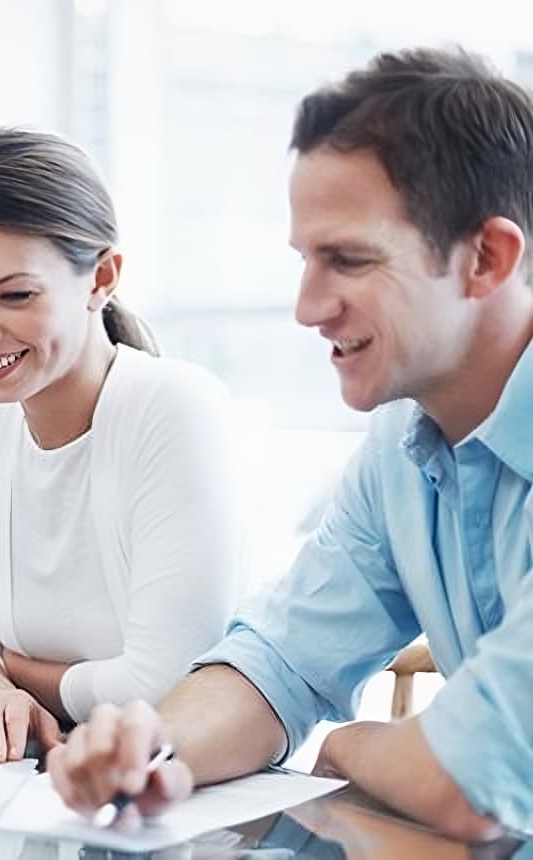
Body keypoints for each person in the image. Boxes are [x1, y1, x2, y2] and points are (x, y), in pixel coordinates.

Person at [46, 47, 533, 840]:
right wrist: (152, 747)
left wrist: (351, 744)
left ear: (487, 259)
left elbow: (469, 787)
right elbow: (281, 663)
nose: (307, 307)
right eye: (306, 259)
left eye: (347, 260)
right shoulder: (401, 453)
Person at [0, 127, 244, 763]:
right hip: (40, 780)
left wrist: (15, 670)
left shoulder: (173, 407)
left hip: (175, 789)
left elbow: (168, 687)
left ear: (102, 278)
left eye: (16, 295)